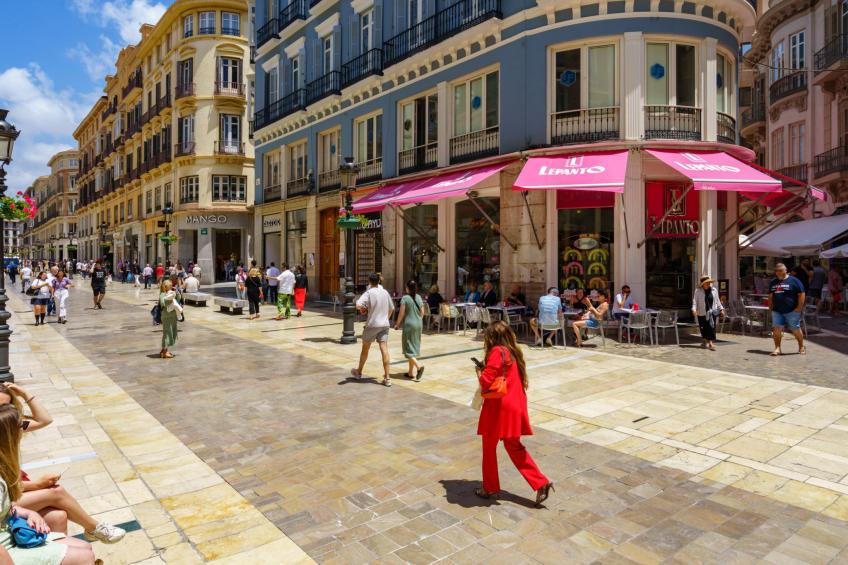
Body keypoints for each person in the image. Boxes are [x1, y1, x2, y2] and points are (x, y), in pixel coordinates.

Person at [0, 385, 125, 544]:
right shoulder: (7, 427)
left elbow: (45, 420)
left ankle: (64, 555)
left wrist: (25, 394)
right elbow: (5, 488)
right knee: (56, 493)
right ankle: (93, 528)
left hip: (11, 494)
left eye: (8, 406)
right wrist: (38, 485)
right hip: (5, 500)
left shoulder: (8, 426)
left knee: (59, 516)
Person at [0, 404, 100, 565]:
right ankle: (94, 528)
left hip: (8, 529)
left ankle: (93, 529)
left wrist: (27, 513)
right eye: (22, 426)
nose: (24, 431)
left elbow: (4, 507)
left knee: (85, 547)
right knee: (84, 557)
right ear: (9, 434)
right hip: (5, 546)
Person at [474, 321, 554, 506]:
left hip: (499, 407)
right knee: (514, 447)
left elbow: (486, 381)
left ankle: (490, 487)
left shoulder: (497, 352)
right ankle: (540, 482)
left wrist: (479, 371)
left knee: (489, 447)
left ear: (492, 337)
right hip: (515, 404)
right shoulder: (513, 352)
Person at [352, 273, 395, 387]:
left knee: (365, 349)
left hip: (372, 324)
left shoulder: (369, 292)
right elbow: (392, 308)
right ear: (379, 281)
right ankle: (387, 377)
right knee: (384, 349)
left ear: (369, 282)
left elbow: (357, 304)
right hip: (384, 324)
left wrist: (364, 308)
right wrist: (386, 318)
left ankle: (359, 371)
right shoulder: (385, 292)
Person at [769, 263, 806, 356]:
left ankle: (801, 346)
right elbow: (770, 295)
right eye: (776, 271)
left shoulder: (794, 281)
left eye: (780, 270)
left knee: (795, 329)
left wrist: (799, 308)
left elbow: (801, 294)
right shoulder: (773, 282)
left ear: (786, 270)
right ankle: (777, 348)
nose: (778, 272)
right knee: (776, 329)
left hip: (792, 310)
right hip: (777, 310)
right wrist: (770, 306)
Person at [394, 280, 426, 382]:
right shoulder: (419, 297)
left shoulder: (405, 298)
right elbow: (422, 312)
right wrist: (417, 319)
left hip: (409, 325)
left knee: (408, 348)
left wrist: (397, 324)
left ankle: (419, 367)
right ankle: (410, 373)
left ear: (408, 288)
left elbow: (401, 313)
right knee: (413, 347)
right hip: (418, 324)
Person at [692, 276, 724, 351]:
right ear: (703, 284)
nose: (708, 284)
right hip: (702, 312)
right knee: (703, 327)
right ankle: (704, 339)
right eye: (706, 283)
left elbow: (717, 301)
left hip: (712, 312)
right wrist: (694, 310)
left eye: (709, 282)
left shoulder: (714, 290)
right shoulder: (698, 291)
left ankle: (710, 343)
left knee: (711, 327)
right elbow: (695, 302)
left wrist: (721, 309)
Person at [159, 280, 180, 359]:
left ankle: (163, 351)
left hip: (172, 316)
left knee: (171, 332)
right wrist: (171, 297)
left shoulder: (171, 292)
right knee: (167, 333)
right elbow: (163, 303)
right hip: (167, 316)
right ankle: (165, 351)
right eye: (169, 285)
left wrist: (177, 294)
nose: (171, 287)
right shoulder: (162, 294)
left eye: (171, 285)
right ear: (165, 286)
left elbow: (177, 301)